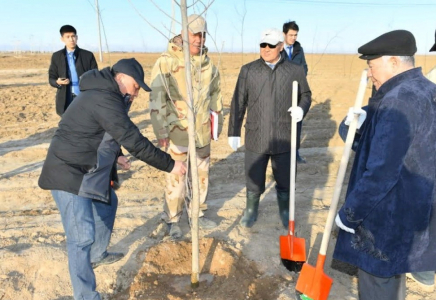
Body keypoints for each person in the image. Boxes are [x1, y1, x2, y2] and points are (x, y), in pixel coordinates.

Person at [39, 58, 187, 300]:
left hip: (86, 168)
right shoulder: (104, 98)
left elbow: (101, 130)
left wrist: (116, 156)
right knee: (81, 237)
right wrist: (170, 164)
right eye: (136, 86)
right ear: (120, 77)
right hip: (68, 172)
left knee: (109, 203)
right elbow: (134, 140)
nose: (136, 93)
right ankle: (86, 295)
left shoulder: (108, 96)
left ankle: (97, 255)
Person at [333, 30, 436, 300]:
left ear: (393, 62)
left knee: (378, 283)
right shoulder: (427, 90)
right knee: (393, 279)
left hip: (384, 220)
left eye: (371, 65)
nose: (369, 73)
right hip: (412, 214)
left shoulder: (398, 100)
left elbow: (381, 172)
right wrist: (365, 122)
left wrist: (350, 214)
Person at [227, 28, 311, 229]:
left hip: (284, 136)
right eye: (262, 45)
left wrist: (301, 108)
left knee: (285, 178)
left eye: (271, 45)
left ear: (280, 46)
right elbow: (238, 102)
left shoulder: (294, 70)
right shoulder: (248, 71)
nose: (266, 49)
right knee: (254, 178)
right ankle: (251, 210)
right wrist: (234, 131)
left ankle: (284, 211)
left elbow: (306, 94)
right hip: (257, 134)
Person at [149, 14, 223, 239]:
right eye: (195, 34)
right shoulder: (168, 61)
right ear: (183, 33)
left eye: (203, 35)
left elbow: (215, 94)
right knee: (177, 178)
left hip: (202, 132)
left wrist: (216, 121)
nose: (199, 39)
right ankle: (172, 219)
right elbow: (157, 97)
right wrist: (160, 130)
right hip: (177, 132)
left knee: (201, 175)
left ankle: (197, 214)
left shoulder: (208, 63)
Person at [48, 25, 98, 116]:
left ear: (77, 37)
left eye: (73, 36)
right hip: (65, 97)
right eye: (67, 37)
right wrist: (57, 82)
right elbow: (51, 77)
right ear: (62, 39)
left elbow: (95, 76)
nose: (71, 39)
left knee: (85, 123)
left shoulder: (88, 55)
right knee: (68, 126)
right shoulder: (57, 56)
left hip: (84, 96)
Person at [282, 21, 309, 163]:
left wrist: (298, 80)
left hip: (297, 92)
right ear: (284, 34)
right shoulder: (278, 49)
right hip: (282, 93)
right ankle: (282, 153)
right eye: (291, 35)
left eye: (295, 35)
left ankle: (295, 153)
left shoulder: (299, 49)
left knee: (297, 123)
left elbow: (304, 68)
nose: (293, 38)